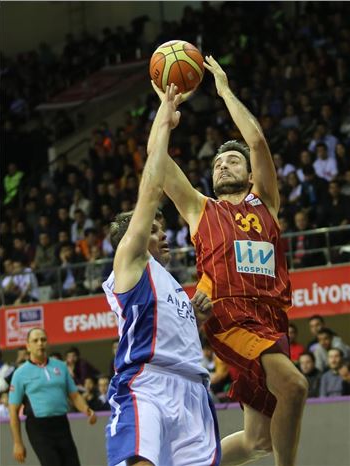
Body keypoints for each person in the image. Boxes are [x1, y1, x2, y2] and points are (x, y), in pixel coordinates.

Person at [150, 56, 308, 466]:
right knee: (294, 386)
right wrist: (165, 115)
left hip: (272, 319)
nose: (223, 166)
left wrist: (223, 90)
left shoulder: (266, 204)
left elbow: (256, 142)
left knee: (260, 440)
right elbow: (158, 162)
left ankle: (181, 463)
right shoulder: (201, 209)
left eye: (232, 161)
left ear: (249, 174)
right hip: (230, 316)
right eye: (218, 164)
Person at [102, 84, 220, 466]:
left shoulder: (168, 281)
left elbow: (169, 330)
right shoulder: (131, 260)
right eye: (153, 229)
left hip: (194, 389)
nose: (163, 233)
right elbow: (151, 189)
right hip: (147, 382)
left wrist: (195, 319)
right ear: (131, 238)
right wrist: (164, 120)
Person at [8, 328, 96, 466]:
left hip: (61, 423)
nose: (40, 343)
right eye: (35, 340)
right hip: (38, 427)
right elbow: (13, 410)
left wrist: (87, 409)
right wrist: (18, 443)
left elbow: (74, 395)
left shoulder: (60, 366)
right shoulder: (20, 374)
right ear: (28, 346)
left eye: (43, 340)